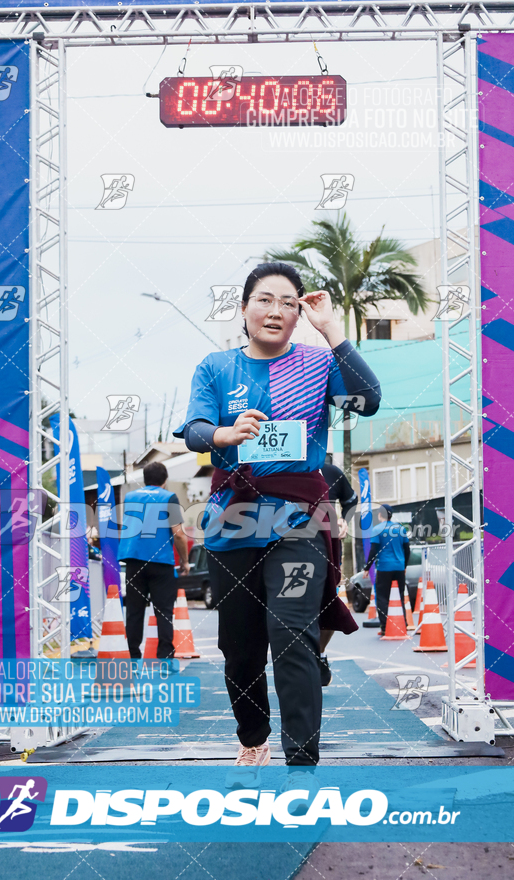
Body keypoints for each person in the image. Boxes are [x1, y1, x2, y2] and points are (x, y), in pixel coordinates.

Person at [173, 261, 381, 793]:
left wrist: (332, 329)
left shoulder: (316, 364)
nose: (276, 311)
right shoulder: (216, 367)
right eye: (265, 300)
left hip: (300, 523)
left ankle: (302, 764)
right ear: (244, 309)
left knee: (293, 633)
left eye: (288, 303)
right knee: (240, 646)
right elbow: (194, 429)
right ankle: (252, 738)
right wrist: (225, 433)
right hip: (234, 521)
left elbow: (369, 399)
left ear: (299, 314)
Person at [117, 461, 190, 659]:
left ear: (144, 479)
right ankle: (165, 654)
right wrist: (184, 560)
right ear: (165, 480)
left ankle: (133, 653)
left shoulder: (130, 497)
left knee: (134, 611)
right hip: (161, 562)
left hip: (134, 560)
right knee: (164, 611)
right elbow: (179, 534)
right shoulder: (169, 497)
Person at [317, 454, 358, 686]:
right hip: (288, 543)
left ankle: (320, 654)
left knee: (329, 600)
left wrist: (343, 519)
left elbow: (351, 500)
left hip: (329, 544)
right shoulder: (278, 468)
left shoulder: (331, 471)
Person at [362, 503, 410, 633]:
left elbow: (373, 551)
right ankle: (403, 624)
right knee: (399, 596)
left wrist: (367, 568)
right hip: (399, 568)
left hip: (384, 568)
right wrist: (404, 566)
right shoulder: (401, 529)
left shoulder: (377, 529)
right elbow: (407, 550)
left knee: (382, 597)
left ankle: (385, 627)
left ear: (380, 514)